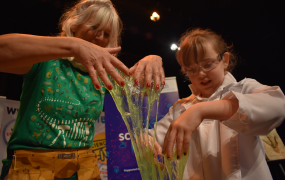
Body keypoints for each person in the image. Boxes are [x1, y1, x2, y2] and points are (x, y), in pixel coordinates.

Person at [0, 0, 164, 179]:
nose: (100, 37)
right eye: (94, 27)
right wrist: (74, 45)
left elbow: (143, 89)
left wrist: (153, 59)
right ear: (74, 24)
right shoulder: (46, 60)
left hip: (84, 168)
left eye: (107, 33)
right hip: (33, 168)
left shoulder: (105, 72)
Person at [149, 28, 285, 180]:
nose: (201, 74)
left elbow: (278, 105)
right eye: (192, 70)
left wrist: (200, 110)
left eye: (207, 65)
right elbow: (152, 136)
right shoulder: (180, 108)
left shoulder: (244, 88)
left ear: (225, 60)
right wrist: (146, 141)